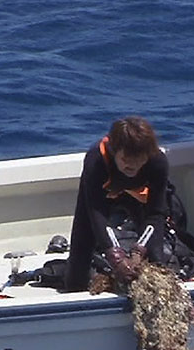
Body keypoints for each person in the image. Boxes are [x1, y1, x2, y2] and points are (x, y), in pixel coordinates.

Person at [63, 116, 169, 292]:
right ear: (114, 151)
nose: (133, 166)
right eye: (127, 160)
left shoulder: (158, 162)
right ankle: (75, 287)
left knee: (156, 256)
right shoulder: (96, 159)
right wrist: (116, 257)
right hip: (100, 199)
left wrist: (138, 253)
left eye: (139, 160)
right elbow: (96, 213)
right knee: (81, 248)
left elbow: (155, 214)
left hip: (139, 198)